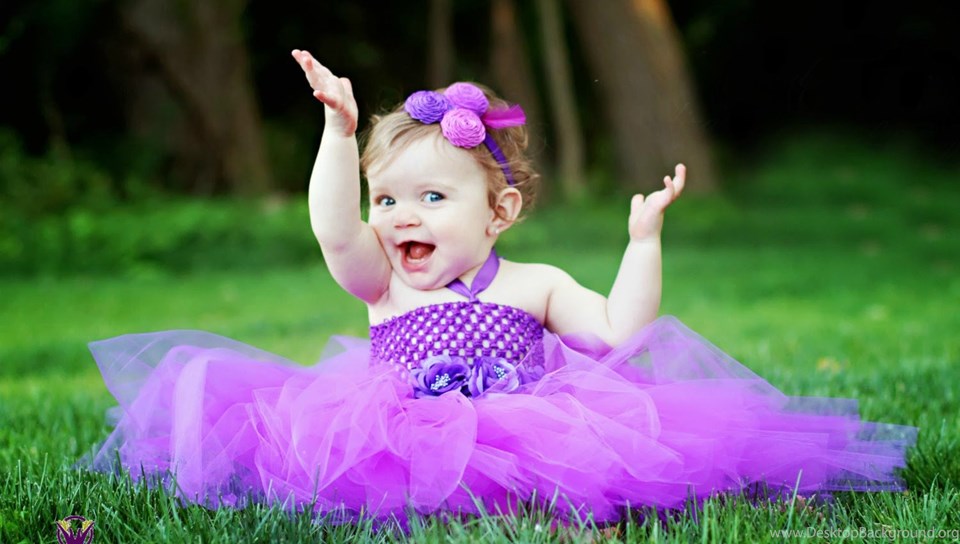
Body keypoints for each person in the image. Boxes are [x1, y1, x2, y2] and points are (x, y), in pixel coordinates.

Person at [83, 49, 915, 527]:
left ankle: (551, 519)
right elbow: (334, 229)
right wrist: (339, 133)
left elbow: (619, 331)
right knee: (394, 489)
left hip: (529, 431)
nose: (402, 217)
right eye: (388, 200)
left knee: (556, 481)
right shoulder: (382, 281)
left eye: (431, 198)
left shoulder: (536, 282)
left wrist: (642, 244)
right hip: (401, 434)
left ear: (499, 212)